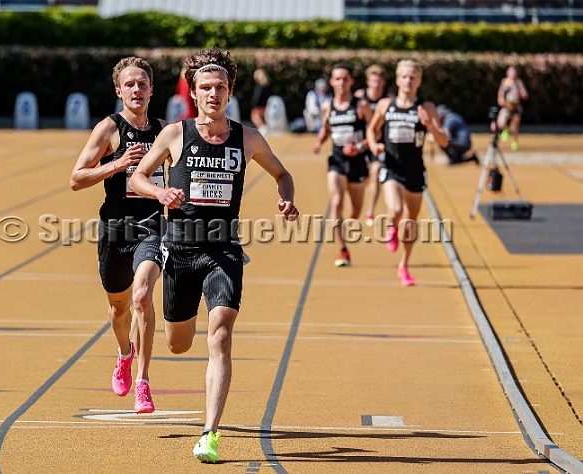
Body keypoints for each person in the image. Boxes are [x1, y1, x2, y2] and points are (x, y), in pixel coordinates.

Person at [129, 48, 298, 464]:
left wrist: (287, 199)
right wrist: (160, 192)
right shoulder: (174, 134)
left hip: (223, 249)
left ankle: (210, 433)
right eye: (206, 87)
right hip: (181, 250)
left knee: (220, 333)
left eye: (221, 87)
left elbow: (283, 174)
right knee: (179, 343)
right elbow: (137, 177)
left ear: (230, 91)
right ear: (194, 91)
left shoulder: (248, 138)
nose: (214, 94)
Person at [70, 57, 167, 414]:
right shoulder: (108, 129)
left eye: (142, 83)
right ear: (119, 91)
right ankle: (124, 353)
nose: (136, 90)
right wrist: (117, 164)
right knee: (119, 307)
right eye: (130, 84)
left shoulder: (165, 129)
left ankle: (143, 381)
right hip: (116, 228)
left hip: (154, 226)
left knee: (142, 296)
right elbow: (76, 179)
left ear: (152, 90)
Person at [367, 59, 448, 287]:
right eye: (404, 76)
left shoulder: (426, 107)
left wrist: (430, 125)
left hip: (415, 171)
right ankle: (392, 225)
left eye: (413, 77)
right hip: (392, 168)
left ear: (419, 81)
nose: (408, 81)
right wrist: (374, 146)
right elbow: (371, 129)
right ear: (397, 79)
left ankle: (404, 266)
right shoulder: (385, 105)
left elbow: (444, 140)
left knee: (411, 221)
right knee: (395, 209)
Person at [312, 63, 372, 267]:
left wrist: (360, 147)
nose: (341, 83)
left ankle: (346, 226)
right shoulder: (327, 106)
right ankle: (343, 249)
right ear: (331, 82)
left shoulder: (361, 106)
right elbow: (326, 128)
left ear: (351, 82)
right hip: (337, 160)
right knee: (336, 203)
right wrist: (319, 141)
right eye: (337, 78)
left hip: (357, 162)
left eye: (345, 78)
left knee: (354, 212)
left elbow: (375, 133)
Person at [355, 64, 390, 227]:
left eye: (379, 81)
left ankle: (370, 211)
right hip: (361, 142)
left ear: (383, 82)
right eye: (373, 81)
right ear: (368, 81)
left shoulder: (388, 99)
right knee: (361, 179)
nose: (376, 84)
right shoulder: (359, 98)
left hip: (378, 142)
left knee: (376, 173)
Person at [496, 66, 528, 152]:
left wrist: (519, 93)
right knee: (500, 123)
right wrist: (500, 99)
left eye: (514, 72)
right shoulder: (505, 82)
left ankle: (515, 141)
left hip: (516, 108)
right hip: (507, 107)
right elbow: (500, 93)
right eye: (510, 72)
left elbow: (525, 95)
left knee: (515, 127)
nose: (512, 74)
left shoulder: (519, 82)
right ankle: (506, 129)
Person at [250, 68, 272, 135]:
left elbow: (257, 97)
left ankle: (263, 129)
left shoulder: (260, 86)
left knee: (254, 116)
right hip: (266, 105)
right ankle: (264, 128)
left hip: (260, 106)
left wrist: (254, 105)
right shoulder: (267, 84)